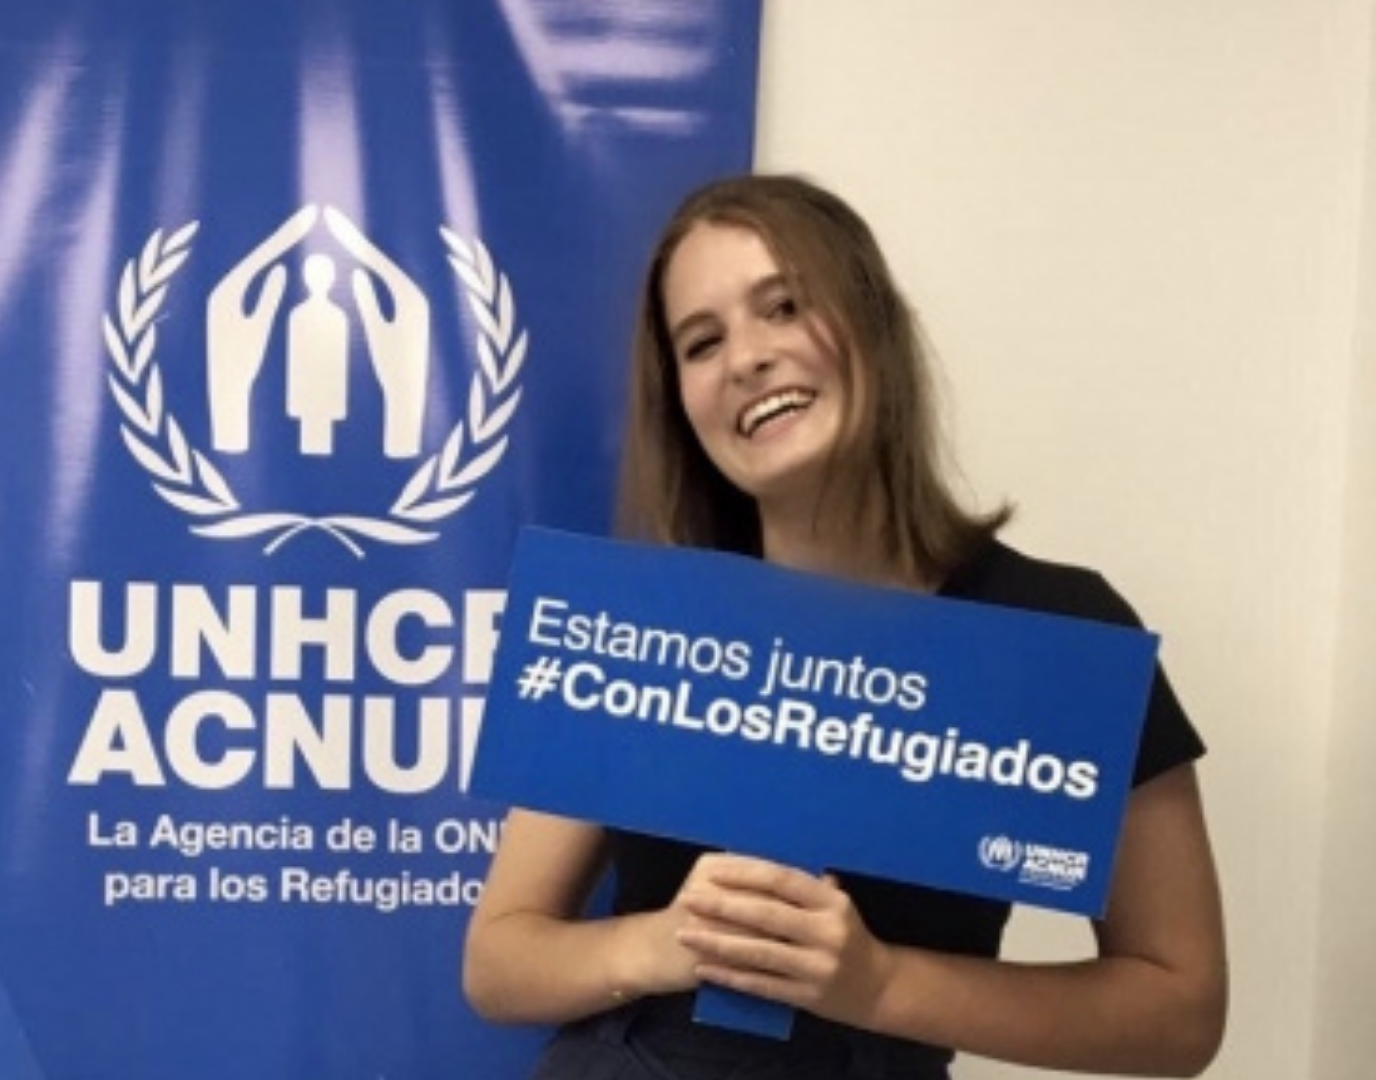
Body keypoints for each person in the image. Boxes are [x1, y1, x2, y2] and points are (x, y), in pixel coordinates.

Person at [462, 175, 1227, 1080]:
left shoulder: (1059, 635)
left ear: (873, 322)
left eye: (782, 307)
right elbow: (497, 964)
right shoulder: (638, 626)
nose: (746, 358)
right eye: (701, 343)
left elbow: (1180, 1012)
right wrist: (672, 943)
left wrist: (877, 984)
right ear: (683, 400)